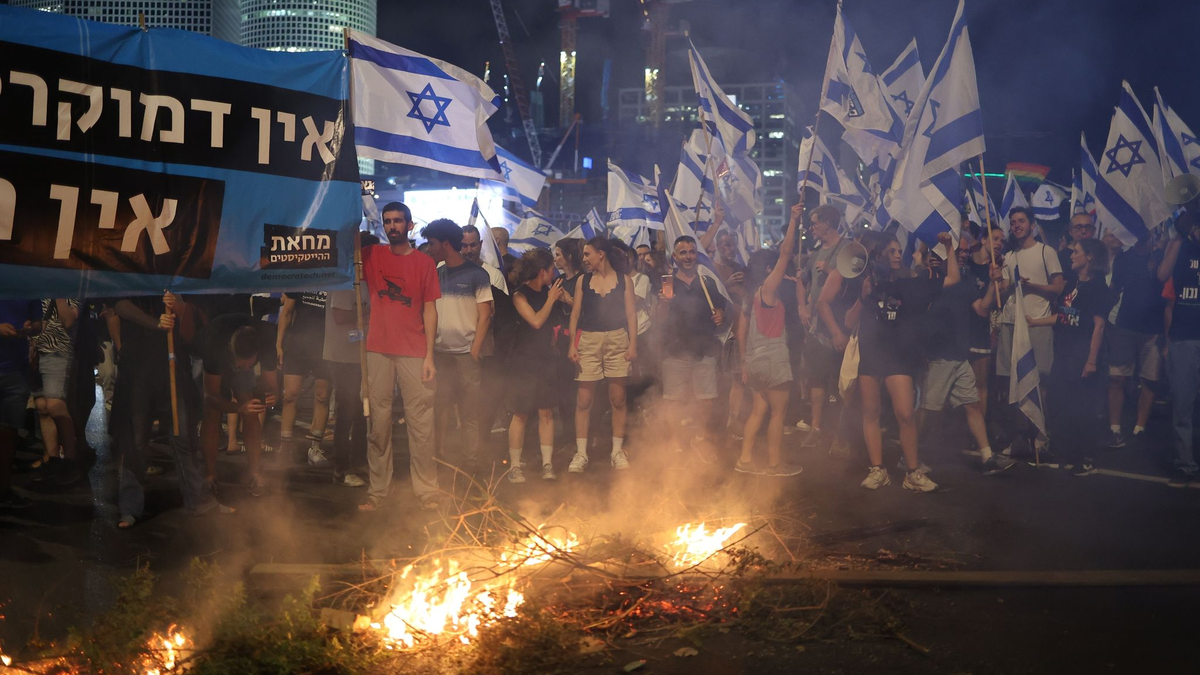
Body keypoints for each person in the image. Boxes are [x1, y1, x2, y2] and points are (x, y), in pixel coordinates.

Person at [113, 293, 233, 527]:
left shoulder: (178, 278)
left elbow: (190, 332)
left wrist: (179, 304)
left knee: (183, 437)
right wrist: (155, 322)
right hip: (137, 371)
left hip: (173, 370)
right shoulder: (134, 269)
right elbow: (119, 304)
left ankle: (199, 500)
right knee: (135, 440)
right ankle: (129, 507)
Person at [851, 231, 957, 492]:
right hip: (872, 352)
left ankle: (912, 472)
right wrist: (863, 296)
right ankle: (878, 470)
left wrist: (949, 247)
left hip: (899, 355)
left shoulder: (914, 280)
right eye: (892, 251)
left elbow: (953, 278)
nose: (898, 254)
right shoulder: (868, 281)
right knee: (870, 412)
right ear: (880, 255)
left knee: (905, 414)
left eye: (900, 250)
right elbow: (848, 322)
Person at [360, 202, 440, 510]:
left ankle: (428, 491)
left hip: (414, 351)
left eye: (398, 221)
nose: (392, 226)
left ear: (409, 225)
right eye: (388, 221)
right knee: (377, 423)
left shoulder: (424, 263)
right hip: (377, 349)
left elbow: (430, 310)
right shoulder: (371, 255)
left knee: (421, 424)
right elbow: (343, 242)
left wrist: (430, 356)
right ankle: (378, 491)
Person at [920, 233, 1014, 475]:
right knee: (928, 410)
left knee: (972, 405)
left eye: (964, 251)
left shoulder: (968, 280)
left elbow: (982, 310)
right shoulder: (931, 280)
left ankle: (987, 457)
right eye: (958, 251)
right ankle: (907, 455)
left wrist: (994, 286)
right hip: (939, 356)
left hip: (960, 355)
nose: (963, 254)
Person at [1029, 238, 1112, 476]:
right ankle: (1069, 452)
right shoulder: (1073, 283)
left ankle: (1086, 458)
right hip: (1065, 353)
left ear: (1090, 257)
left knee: (1082, 407)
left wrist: (1091, 361)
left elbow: (1099, 326)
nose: (1071, 255)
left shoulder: (1098, 287)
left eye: (1076, 252)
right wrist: (1035, 322)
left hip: (1083, 354)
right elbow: (1064, 316)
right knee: (1060, 402)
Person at [423, 218, 493, 471]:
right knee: (437, 410)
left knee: (469, 414)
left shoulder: (477, 274)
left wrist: (474, 351)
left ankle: (470, 465)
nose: (428, 249)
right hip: (439, 355)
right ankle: (437, 459)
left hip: (466, 357)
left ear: (445, 244)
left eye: (431, 244)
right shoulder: (433, 272)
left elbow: (485, 315)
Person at [736, 204, 801, 476]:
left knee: (757, 412)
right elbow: (785, 253)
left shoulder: (750, 297)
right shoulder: (768, 289)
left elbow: (741, 333)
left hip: (755, 360)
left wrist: (745, 363)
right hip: (774, 359)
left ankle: (745, 460)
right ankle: (775, 464)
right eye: (774, 267)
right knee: (778, 414)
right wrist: (794, 220)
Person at [567, 236, 638, 472]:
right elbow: (575, 315)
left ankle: (617, 451)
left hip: (618, 338)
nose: (584, 259)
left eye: (587, 254)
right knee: (584, 399)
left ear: (601, 254)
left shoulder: (624, 281)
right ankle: (581, 453)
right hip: (588, 339)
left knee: (618, 398)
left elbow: (631, 315)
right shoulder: (582, 281)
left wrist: (633, 345)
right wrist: (572, 345)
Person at [997, 206, 1063, 457]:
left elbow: (1058, 288)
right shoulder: (1009, 256)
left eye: (1021, 221)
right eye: (1013, 222)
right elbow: (1002, 292)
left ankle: (1041, 435)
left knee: (1039, 384)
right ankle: (1018, 435)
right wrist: (999, 281)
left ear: (1031, 224)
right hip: (1011, 324)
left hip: (1036, 324)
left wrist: (1030, 285)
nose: (1016, 225)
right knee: (1012, 385)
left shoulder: (1047, 252)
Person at [657, 235, 727, 458]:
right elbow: (658, 320)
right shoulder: (667, 283)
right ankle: (677, 441)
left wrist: (719, 315)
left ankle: (700, 439)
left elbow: (720, 309)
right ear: (675, 257)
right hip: (675, 350)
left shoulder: (707, 282)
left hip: (703, 349)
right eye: (683, 252)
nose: (688, 256)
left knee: (706, 400)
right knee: (674, 401)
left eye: (692, 252)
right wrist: (663, 304)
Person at [197, 310, 279, 496]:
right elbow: (211, 396)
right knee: (212, 412)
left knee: (250, 408)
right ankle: (210, 475)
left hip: (240, 345)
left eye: (251, 364)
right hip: (211, 352)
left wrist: (272, 397)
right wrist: (237, 408)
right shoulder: (214, 344)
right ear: (232, 353)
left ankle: (254, 473)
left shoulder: (265, 339)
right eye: (242, 364)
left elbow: (273, 387)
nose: (246, 368)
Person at [505, 249, 566, 483]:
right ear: (542, 271)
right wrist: (551, 299)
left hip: (546, 360)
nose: (554, 274)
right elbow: (536, 321)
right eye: (552, 269)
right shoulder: (519, 295)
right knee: (520, 413)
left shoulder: (550, 293)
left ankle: (547, 464)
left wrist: (564, 300)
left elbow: (564, 314)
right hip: (524, 362)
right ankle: (515, 466)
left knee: (546, 412)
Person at [1104, 234, 1163, 449]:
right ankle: (1115, 428)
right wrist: (1102, 314)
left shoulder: (1160, 256)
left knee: (1149, 380)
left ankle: (1140, 428)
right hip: (1125, 325)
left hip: (1153, 330)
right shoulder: (1124, 258)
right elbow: (1114, 289)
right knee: (1117, 377)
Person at [800, 205, 851, 449]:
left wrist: (831, 271)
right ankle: (816, 429)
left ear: (828, 224)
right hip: (817, 331)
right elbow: (803, 282)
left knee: (843, 386)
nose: (811, 228)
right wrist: (803, 306)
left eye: (814, 223)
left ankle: (841, 435)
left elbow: (853, 281)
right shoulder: (815, 253)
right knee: (817, 381)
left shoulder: (847, 249)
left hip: (841, 327)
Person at [1157, 212, 1200, 487]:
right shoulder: (1182, 247)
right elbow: (1162, 274)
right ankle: (1185, 465)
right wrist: (1177, 238)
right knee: (1183, 406)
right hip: (1184, 338)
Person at [31, 298, 81, 486]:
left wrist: (58, 292)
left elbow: (68, 320)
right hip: (35, 348)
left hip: (58, 349)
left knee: (55, 405)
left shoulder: (72, 283)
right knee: (42, 406)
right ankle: (53, 460)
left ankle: (70, 462)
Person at [276, 292, 332, 451]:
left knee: (322, 396)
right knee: (290, 395)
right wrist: (279, 344)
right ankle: (285, 448)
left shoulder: (335, 276)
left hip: (325, 346)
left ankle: (315, 448)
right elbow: (286, 312)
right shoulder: (305, 273)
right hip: (297, 345)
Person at [0, 301, 40, 509]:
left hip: (17, 370)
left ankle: (4, 490)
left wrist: (31, 327)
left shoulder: (27, 285)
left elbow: (38, 323)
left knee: (9, 434)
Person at [553, 238, 585, 444]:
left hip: (581, 340)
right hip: (562, 340)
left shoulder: (584, 280)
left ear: (569, 256)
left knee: (580, 392)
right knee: (563, 391)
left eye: (558, 254)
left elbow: (588, 311)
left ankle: (582, 438)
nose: (554, 259)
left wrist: (567, 300)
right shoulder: (560, 281)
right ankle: (567, 438)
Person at [1058, 213, 1096, 284]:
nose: (1083, 231)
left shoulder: (1099, 255)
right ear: (1070, 231)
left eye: (1088, 227)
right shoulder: (1060, 257)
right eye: (1078, 227)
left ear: (1094, 231)